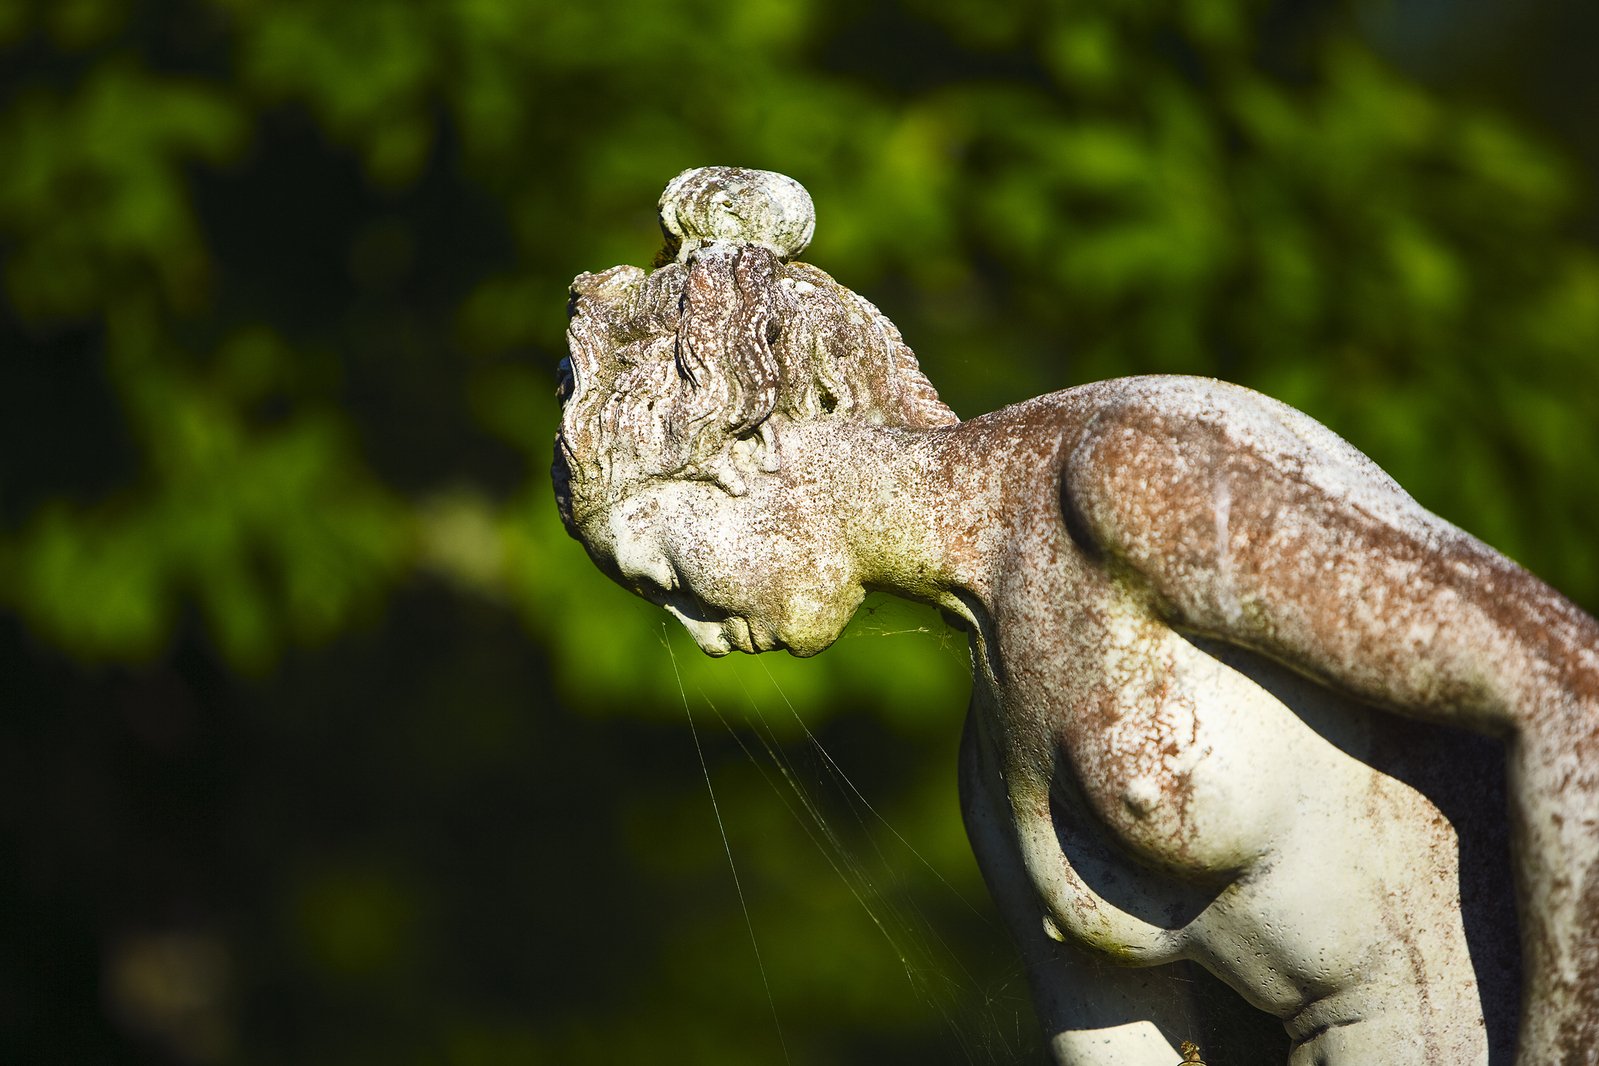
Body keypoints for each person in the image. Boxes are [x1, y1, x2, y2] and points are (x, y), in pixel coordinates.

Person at [554, 166, 1599, 1065]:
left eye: (666, 570)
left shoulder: (1126, 477)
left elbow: (1569, 688)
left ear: (751, 449)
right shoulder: (994, 760)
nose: (690, 626)